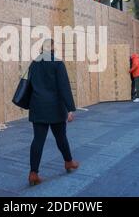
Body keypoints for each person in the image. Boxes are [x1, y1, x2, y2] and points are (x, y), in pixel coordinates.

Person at [27, 39, 79, 186]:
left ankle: (33, 173)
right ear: (52, 49)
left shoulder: (34, 64)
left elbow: (28, 86)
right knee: (61, 137)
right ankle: (69, 162)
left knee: (38, 140)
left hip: (38, 106)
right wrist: (70, 109)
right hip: (55, 108)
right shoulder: (57, 63)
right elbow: (64, 87)